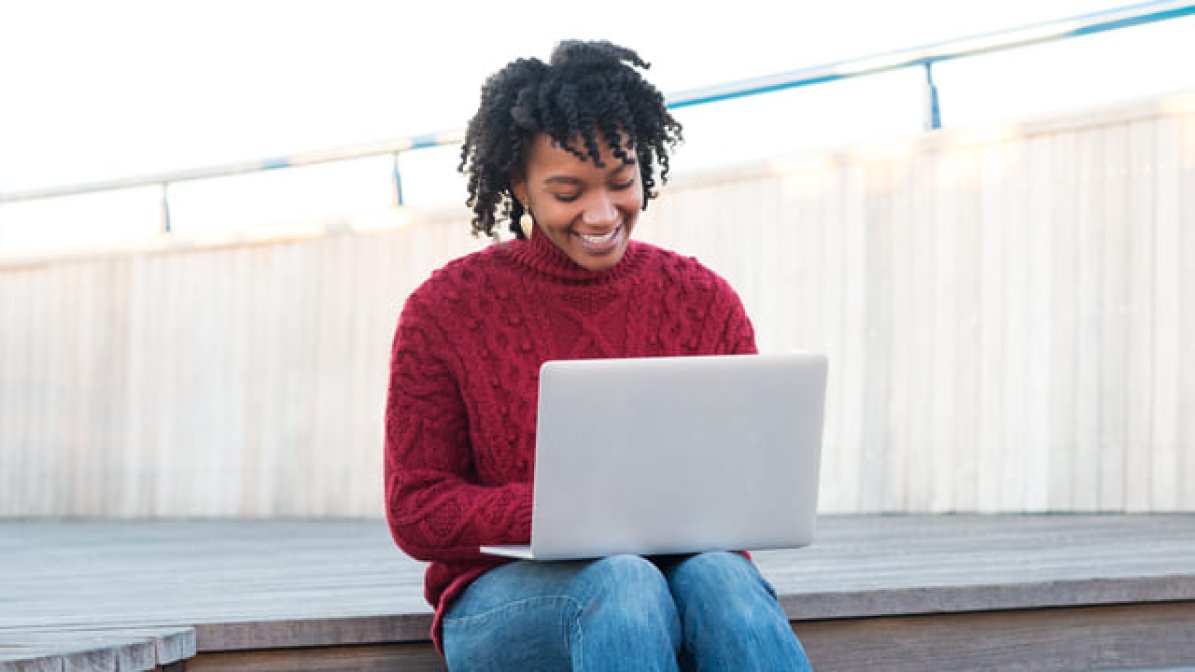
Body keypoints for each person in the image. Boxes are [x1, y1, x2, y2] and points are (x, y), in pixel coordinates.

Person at [384, 39, 812, 671]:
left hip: (687, 579)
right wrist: (566, 513)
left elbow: (745, 484)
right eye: (568, 192)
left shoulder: (702, 301)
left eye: (622, 182)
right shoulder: (443, 311)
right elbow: (416, 508)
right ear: (519, 186)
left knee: (723, 578)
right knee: (623, 583)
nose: (603, 212)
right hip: (504, 600)